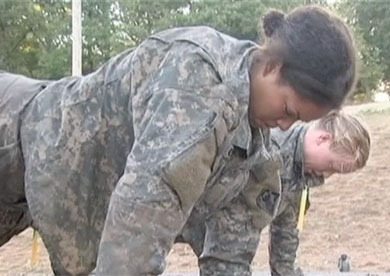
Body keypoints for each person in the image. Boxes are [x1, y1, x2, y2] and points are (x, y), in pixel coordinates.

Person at [0, 5, 357, 275]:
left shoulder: (257, 154)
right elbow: (142, 217)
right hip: (15, 138)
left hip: (52, 189)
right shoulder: (200, 85)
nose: (283, 126)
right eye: (289, 111)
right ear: (272, 67)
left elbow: (230, 256)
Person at [177, 110, 371, 276]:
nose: (326, 175)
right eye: (330, 166)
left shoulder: (301, 172)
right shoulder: (269, 153)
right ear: (322, 139)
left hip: (205, 232)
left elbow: (286, 230)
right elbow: (231, 237)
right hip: (176, 213)